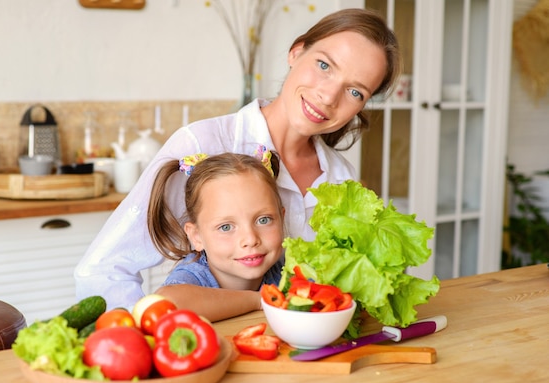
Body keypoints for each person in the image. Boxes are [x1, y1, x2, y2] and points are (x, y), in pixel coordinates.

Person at [74, 8, 401, 311]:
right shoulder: (201, 144)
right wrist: (143, 343)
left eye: (355, 91)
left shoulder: (341, 177)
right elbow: (103, 269)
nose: (329, 97)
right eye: (324, 65)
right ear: (296, 52)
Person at [149, 151, 284, 321]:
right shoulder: (194, 276)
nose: (250, 239)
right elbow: (165, 303)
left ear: (281, 218)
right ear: (196, 237)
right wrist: (258, 299)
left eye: (263, 220)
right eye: (226, 227)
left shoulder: (287, 270)